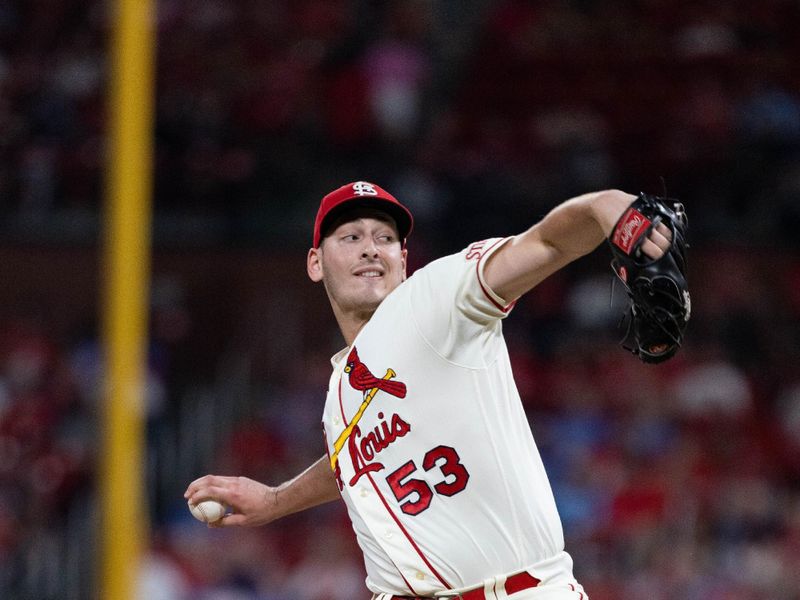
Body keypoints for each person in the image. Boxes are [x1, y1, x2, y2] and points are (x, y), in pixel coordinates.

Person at [185, 181, 674, 599]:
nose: (370, 248)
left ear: (403, 259)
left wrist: (601, 206)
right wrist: (275, 501)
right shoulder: (341, 388)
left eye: (384, 237)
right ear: (316, 263)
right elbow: (353, 465)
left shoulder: (435, 300)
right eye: (350, 236)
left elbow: (546, 244)